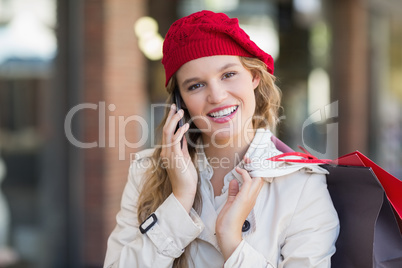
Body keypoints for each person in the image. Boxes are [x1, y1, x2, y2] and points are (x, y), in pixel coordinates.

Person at [104, 10, 339, 268]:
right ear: (180, 102)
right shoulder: (146, 172)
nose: (216, 96)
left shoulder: (301, 185)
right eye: (196, 85)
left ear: (254, 76)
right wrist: (179, 201)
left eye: (228, 75)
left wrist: (232, 242)